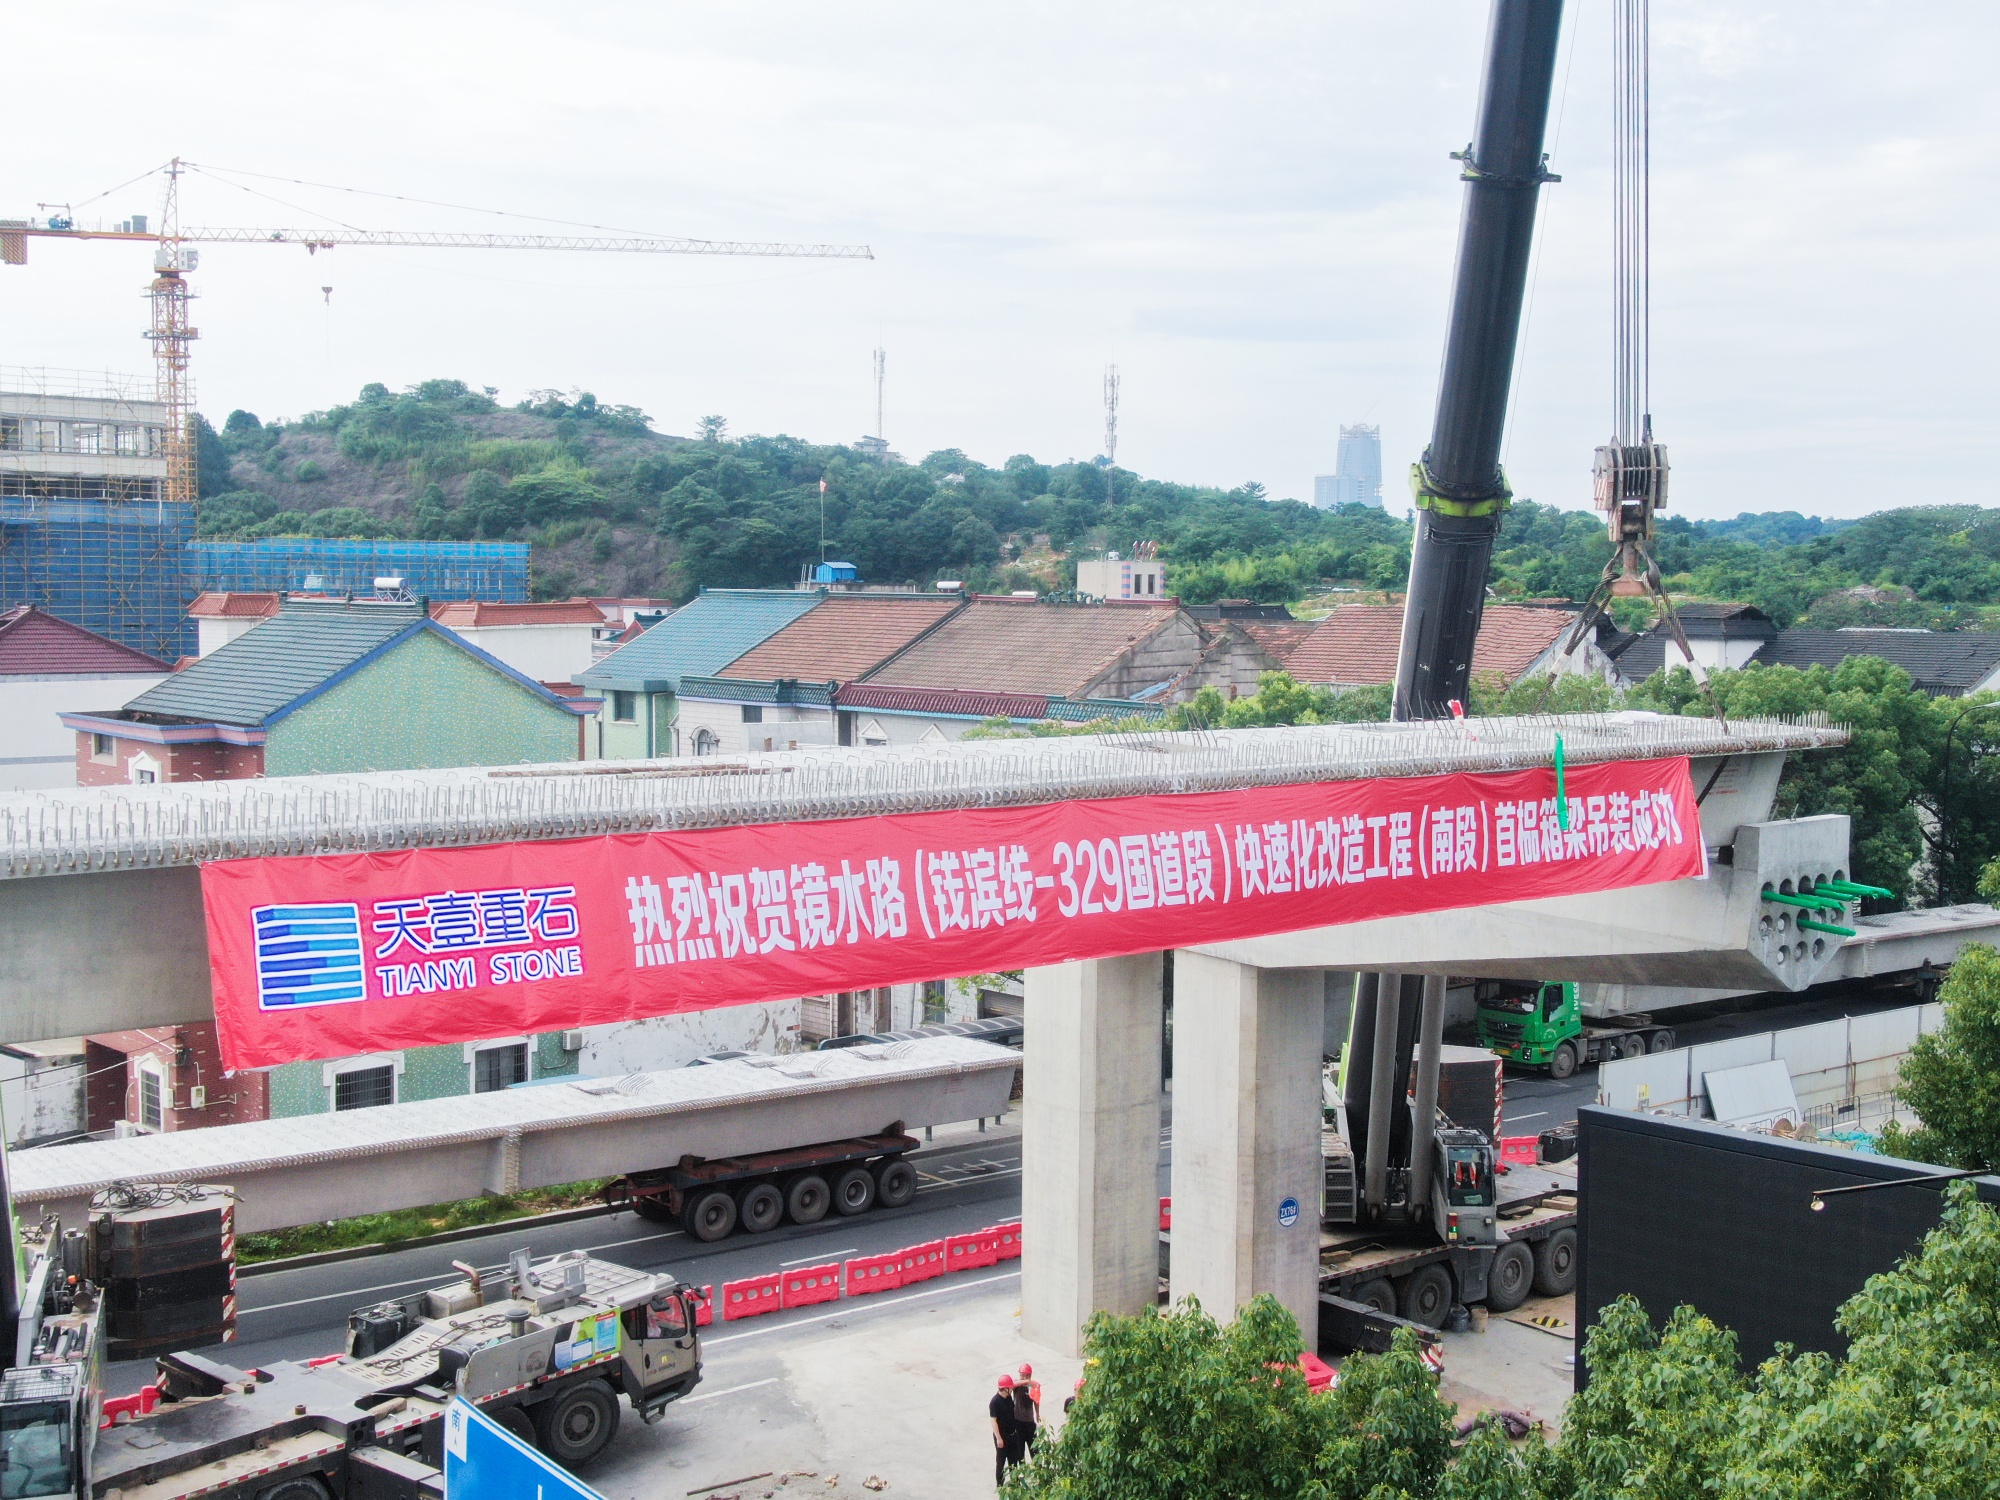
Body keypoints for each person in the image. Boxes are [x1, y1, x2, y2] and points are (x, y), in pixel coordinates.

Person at [989, 1374, 1023, 1486]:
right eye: (1010, 1387)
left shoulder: (1008, 1397)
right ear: (1004, 1388)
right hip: (1002, 1437)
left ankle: (1015, 1483)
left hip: (1012, 1435)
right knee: (1001, 1462)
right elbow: (993, 1421)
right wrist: (999, 1438)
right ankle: (1000, 1485)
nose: (1012, 1388)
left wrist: (1027, 1381)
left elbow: (1015, 1384)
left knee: (1013, 1461)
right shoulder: (995, 1402)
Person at [1010, 1374, 1039, 1460]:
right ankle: (1022, 1466)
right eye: (1022, 1375)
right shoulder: (1018, 1385)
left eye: (1026, 1376)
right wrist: (1026, 1381)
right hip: (1018, 1421)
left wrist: (1037, 1414)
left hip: (1029, 1422)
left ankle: (1036, 1466)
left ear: (1030, 1376)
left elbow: (1036, 1401)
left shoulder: (1033, 1386)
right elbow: (1011, 1385)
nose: (1024, 1378)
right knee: (1020, 1451)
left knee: (1034, 1450)